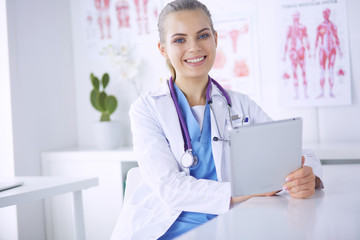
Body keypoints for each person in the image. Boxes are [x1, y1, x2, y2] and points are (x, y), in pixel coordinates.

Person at [111, 1, 323, 239]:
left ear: (215, 39)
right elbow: (171, 189)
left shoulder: (240, 105)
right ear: (162, 49)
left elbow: (299, 155)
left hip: (227, 226)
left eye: (202, 35)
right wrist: (250, 190)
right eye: (179, 40)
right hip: (165, 229)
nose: (193, 47)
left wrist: (308, 177)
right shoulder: (147, 109)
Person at [314, 8, 343, 98]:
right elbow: (317, 39)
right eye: (324, 13)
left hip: (332, 50)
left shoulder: (333, 25)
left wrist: (339, 50)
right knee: (322, 71)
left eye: (326, 13)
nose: (325, 15)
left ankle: (330, 92)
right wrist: (314, 51)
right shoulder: (320, 26)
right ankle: (322, 92)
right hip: (323, 49)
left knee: (331, 71)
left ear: (329, 14)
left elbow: (336, 38)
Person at [283, 11, 311, 99]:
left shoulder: (302, 27)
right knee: (294, 72)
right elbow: (286, 41)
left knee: (303, 71)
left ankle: (305, 93)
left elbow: (306, 39)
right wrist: (284, 54)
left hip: (301, 50)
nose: (296, 18)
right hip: (293, 51)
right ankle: (297, 94)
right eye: (294, 17)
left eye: (297, 16)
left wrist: (309, 52)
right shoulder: (290, 28)